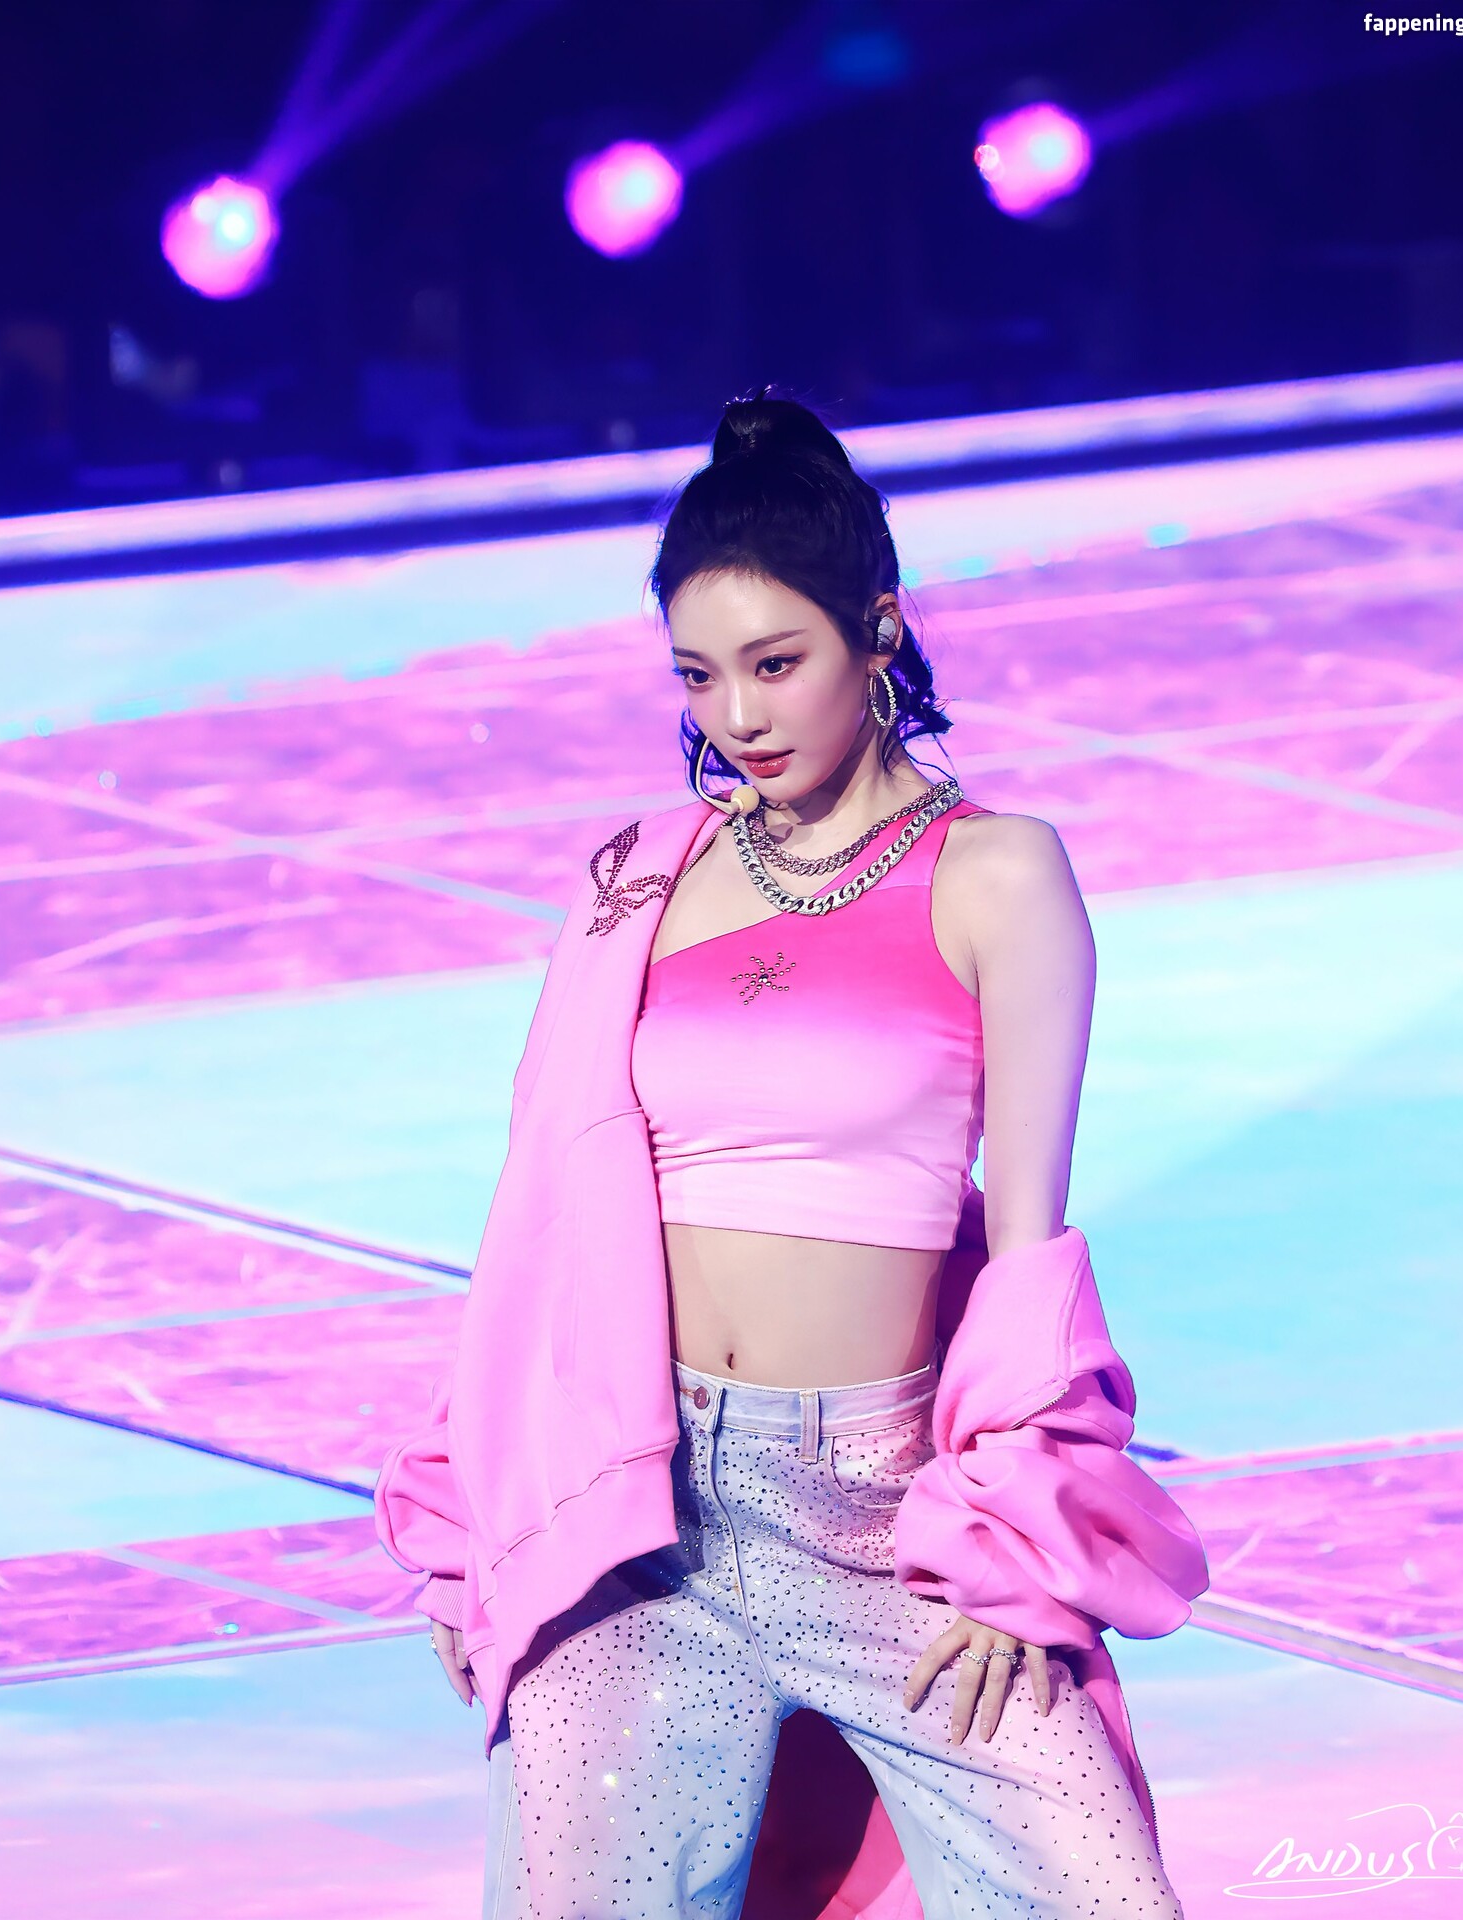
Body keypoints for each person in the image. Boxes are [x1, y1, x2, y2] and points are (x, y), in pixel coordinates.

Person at [375, 389, 1209, 1919]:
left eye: (776, 664)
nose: (737, 718)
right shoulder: (640, 876)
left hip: (894, 1530)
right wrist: (477, 1511)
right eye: (698, 676)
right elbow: (542, 1216)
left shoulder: (998, 873)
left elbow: (1028, 1244)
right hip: (636, 1528)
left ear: (877, 632)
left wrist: (1015, 1527)